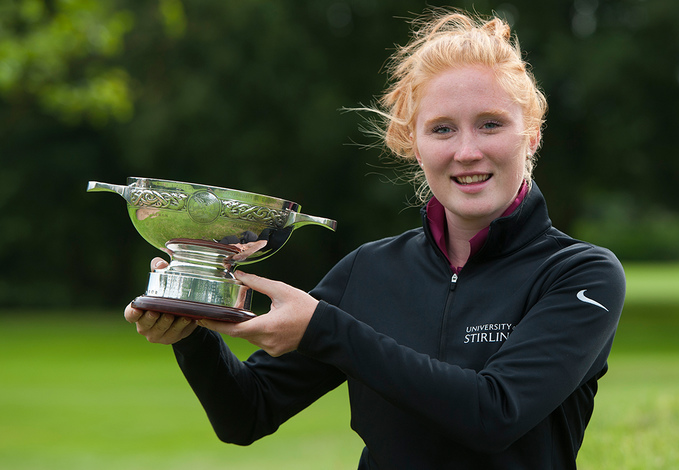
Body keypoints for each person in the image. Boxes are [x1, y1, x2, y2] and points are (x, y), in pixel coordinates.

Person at [124, 9, 625, 469]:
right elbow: (247, 413)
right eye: (442, 129)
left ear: (531, 134)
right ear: (415, 144)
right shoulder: (371, 270)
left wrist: (327, 330)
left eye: (490, 124)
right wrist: (192, 329)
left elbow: (494, 414)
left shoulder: (581, 274)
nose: (467, 151)